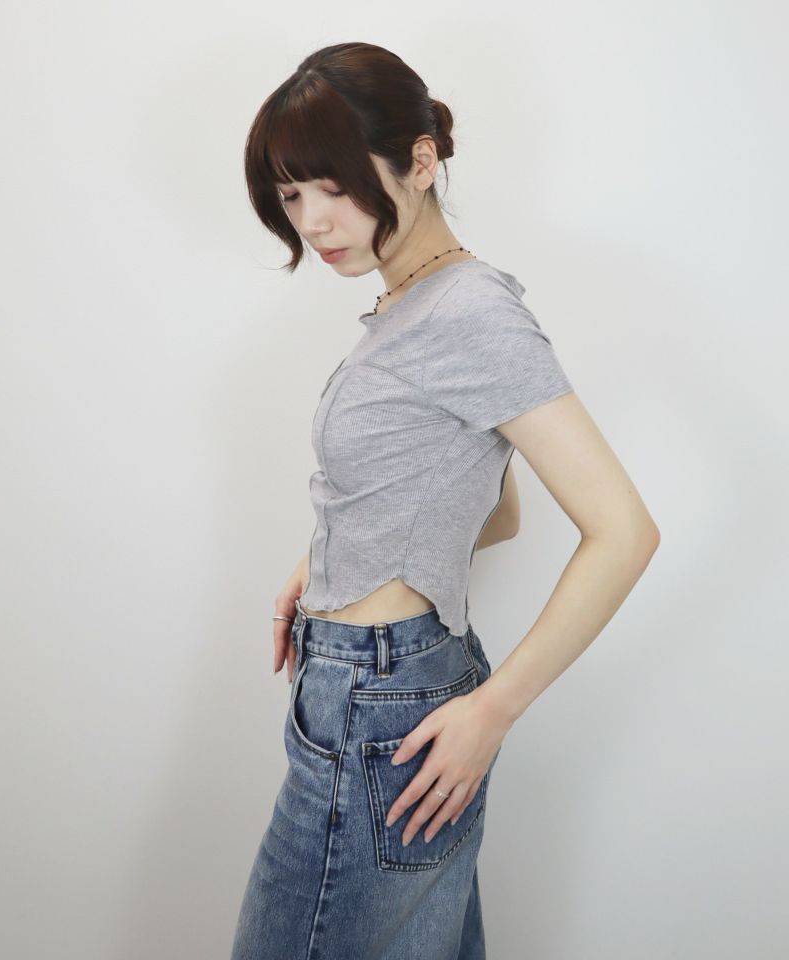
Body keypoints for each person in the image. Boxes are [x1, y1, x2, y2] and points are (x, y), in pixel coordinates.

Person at [230, 42, 660, 960]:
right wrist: (333, 556)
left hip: (379, 700)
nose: (312, 220)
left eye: (334, 186)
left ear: (420, 161)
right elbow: (495, 510)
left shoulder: (468, 311)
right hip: (387, 682)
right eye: (292, 194)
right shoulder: (413, 303)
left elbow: (623, 531)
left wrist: (495, 710)